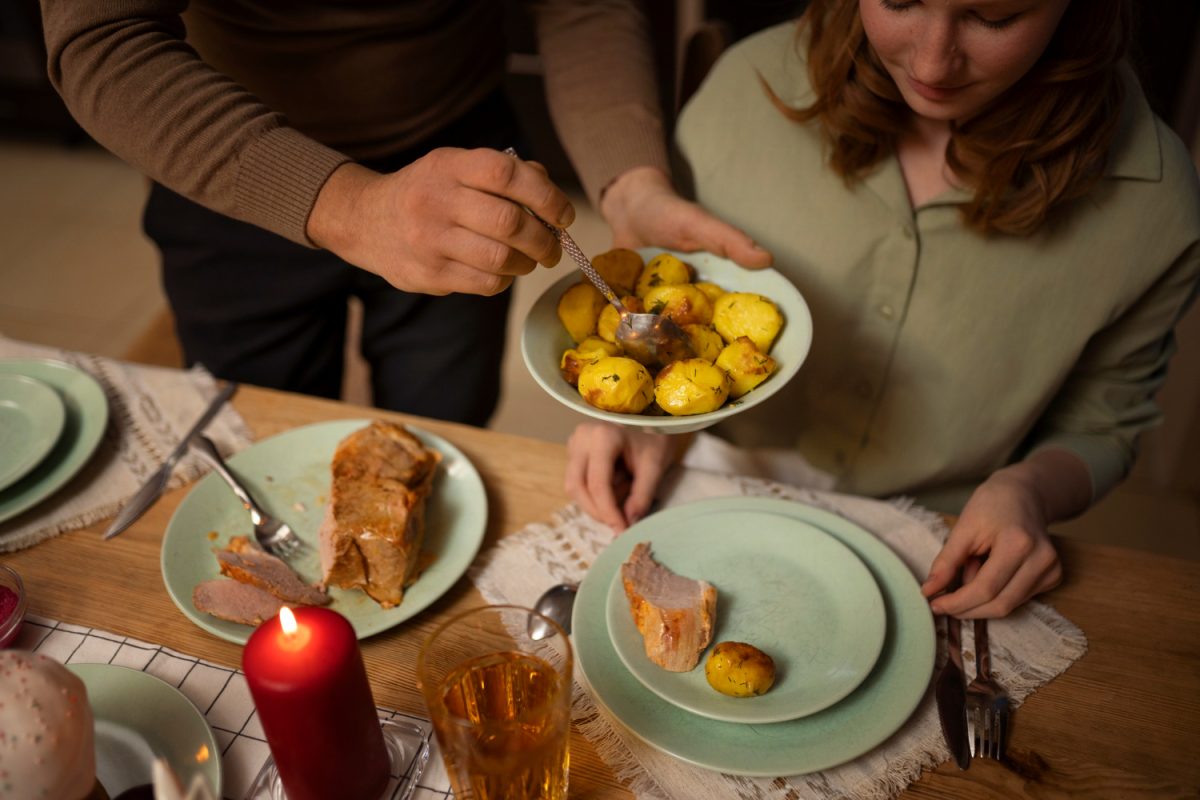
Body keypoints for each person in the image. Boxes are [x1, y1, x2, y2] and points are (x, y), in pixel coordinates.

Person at [565, 0, 1200, 618]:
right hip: (714, 480)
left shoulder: (1156, 203)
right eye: (899, 0)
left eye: (994, 17)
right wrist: (643, 415)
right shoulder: (744, 87)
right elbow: (668, 297)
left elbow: (1105, 423)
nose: (932, 62)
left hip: (939, 536)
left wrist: (1028, 490)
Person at [37, 0, 766, 425]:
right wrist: (346, 204)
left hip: (463, 162)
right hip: (233, 167)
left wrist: (630, 180)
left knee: (446, 427)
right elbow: (103, 39)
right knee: (266, 441)